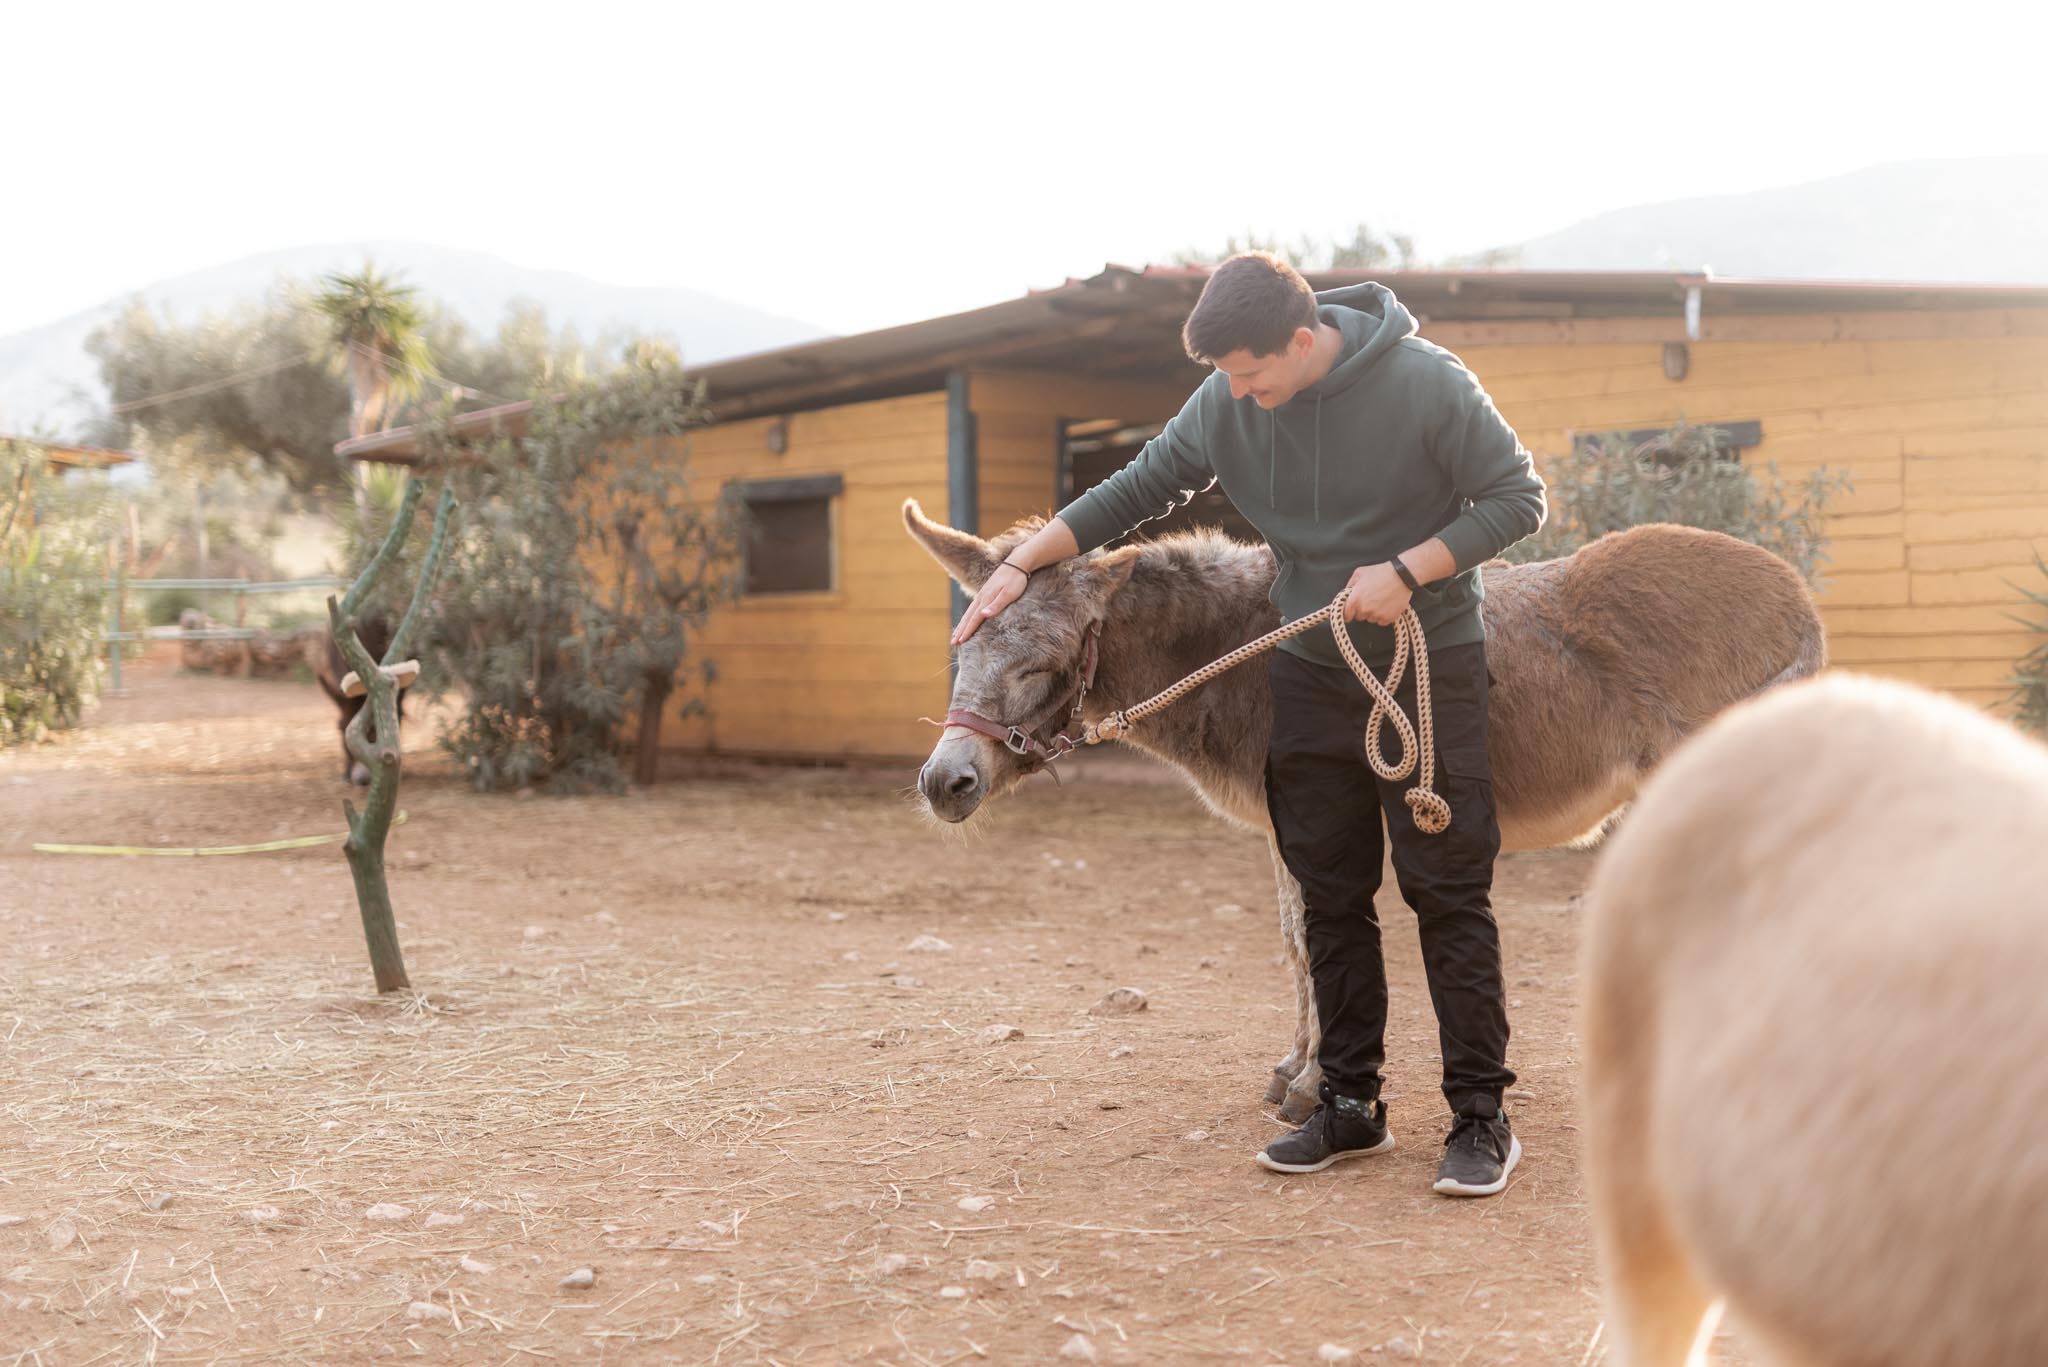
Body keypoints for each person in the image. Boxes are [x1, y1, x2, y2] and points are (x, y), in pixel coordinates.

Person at [952, 252, 1546, 1196]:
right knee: (1329, 893)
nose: (1236, 393)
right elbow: (1137, 488)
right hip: (1309, 669)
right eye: (1223, 375)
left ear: (1303, 341)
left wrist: (1409, 568)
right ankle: (1352, 1105)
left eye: (1249, 372)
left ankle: (1481, 1117)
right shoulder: (1228, 401)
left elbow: (1520, 498)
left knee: (1446, 891)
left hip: (1428, 663)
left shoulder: (1427, 382)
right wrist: (1020, 564)